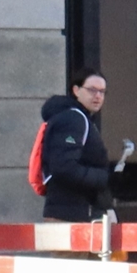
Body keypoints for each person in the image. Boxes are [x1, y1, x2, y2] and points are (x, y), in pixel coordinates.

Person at [37, 69, 115, 220]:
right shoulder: (74, 119)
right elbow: (63, 166)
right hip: (72, 213)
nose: (98, 96)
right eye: (92, 90)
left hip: (69, 210)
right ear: (76, 90)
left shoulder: (75, 117)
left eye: (102, 91)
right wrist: (103, 177)